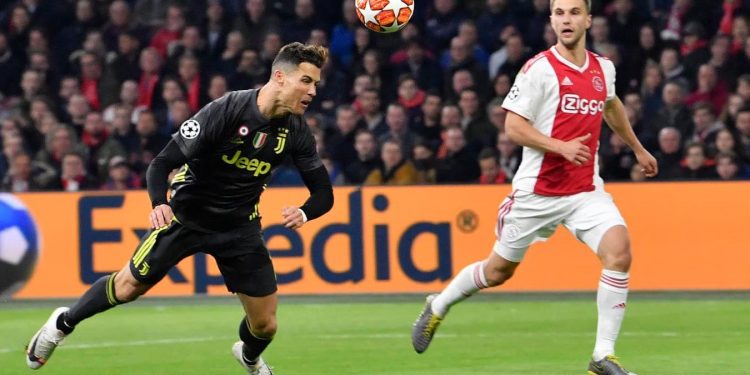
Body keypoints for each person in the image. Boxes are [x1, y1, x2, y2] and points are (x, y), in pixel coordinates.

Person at [26, 42, 334, 375]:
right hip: (186, 216)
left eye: (315, 83)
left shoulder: (297, 132)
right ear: (279, 77)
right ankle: (62, 322)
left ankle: (248, 357)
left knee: (266, 327)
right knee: (129, 287)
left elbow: (323, 194)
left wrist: (304, 212)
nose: (312, 91)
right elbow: (161, 164)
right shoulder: (226, 109)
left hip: (239, 227)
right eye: (306, 81)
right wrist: (159, 203)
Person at [411, 1, 658, 375]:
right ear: (551, 21)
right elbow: (512, 127)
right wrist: (561, 146)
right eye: (559, 13)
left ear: (588, 19)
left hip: (584, 191)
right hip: (536, 194)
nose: (566, 20)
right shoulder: (539, 69)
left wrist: (637, 148)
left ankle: (601, 357)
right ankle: (439, 304)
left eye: (574, 12)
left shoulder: (602, 68)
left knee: (619, 253)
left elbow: (610, 105)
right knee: (497, 273)